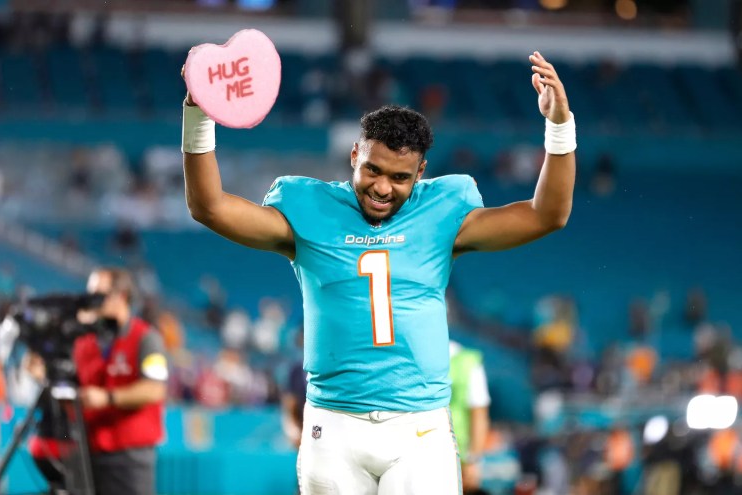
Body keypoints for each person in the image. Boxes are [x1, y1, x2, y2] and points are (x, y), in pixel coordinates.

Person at [181, 50, 575, 494]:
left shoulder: (443, 211)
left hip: (419, 426)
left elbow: (548, 214)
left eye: (399, 177)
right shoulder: (310, 207)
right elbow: (209, 207)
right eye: (372, 169)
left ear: (421, 172)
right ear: (355, 154)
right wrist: (198, 113)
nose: (383, 187)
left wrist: (559, 126)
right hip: (333, 424)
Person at [27, 267, 168, 495]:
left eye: (98, 294)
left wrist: (107, 398)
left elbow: (155, 389)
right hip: (86, 453)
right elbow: (72, 383)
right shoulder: (84, 341)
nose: (90, 300)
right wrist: (45, 372)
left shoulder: (146, 338)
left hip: (129, 456)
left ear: (121, 296)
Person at [449, 340, 491, 495]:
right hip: (456, 453)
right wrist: (474, 460)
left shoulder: (467, 361)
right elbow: (479, 414)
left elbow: (479, 414)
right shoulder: (467, 361)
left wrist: (473, 460)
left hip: (453, 455)